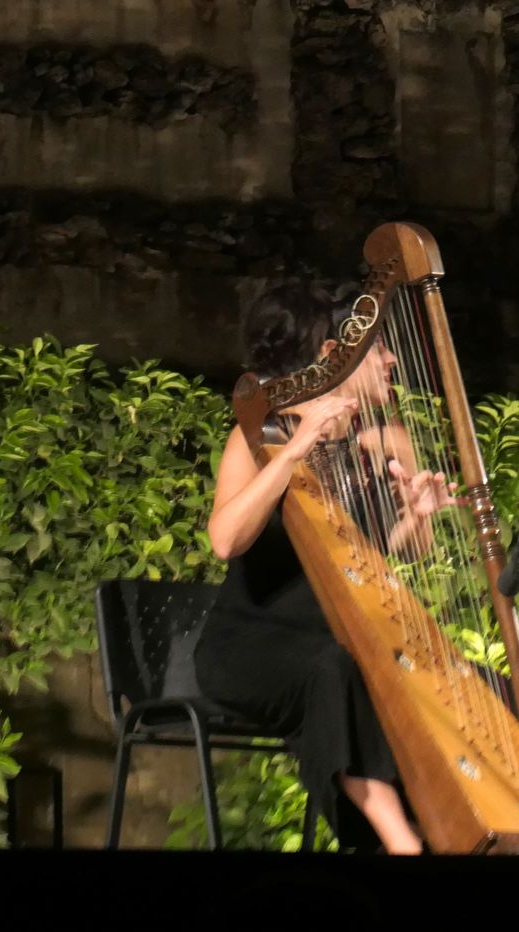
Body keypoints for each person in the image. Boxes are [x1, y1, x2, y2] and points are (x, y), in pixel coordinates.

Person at [197, 282, 455, 854]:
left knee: (454, 676)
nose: (393, 361)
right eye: (380, 348)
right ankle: (397, 839)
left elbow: (397, 551)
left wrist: (417, 517)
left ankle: (457, 827)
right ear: (335, 355)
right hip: (251, 645)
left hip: (337, 640)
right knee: (335, 670)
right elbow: (225, 540)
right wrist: (293, 453)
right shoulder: (263, 436)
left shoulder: (387, 441)